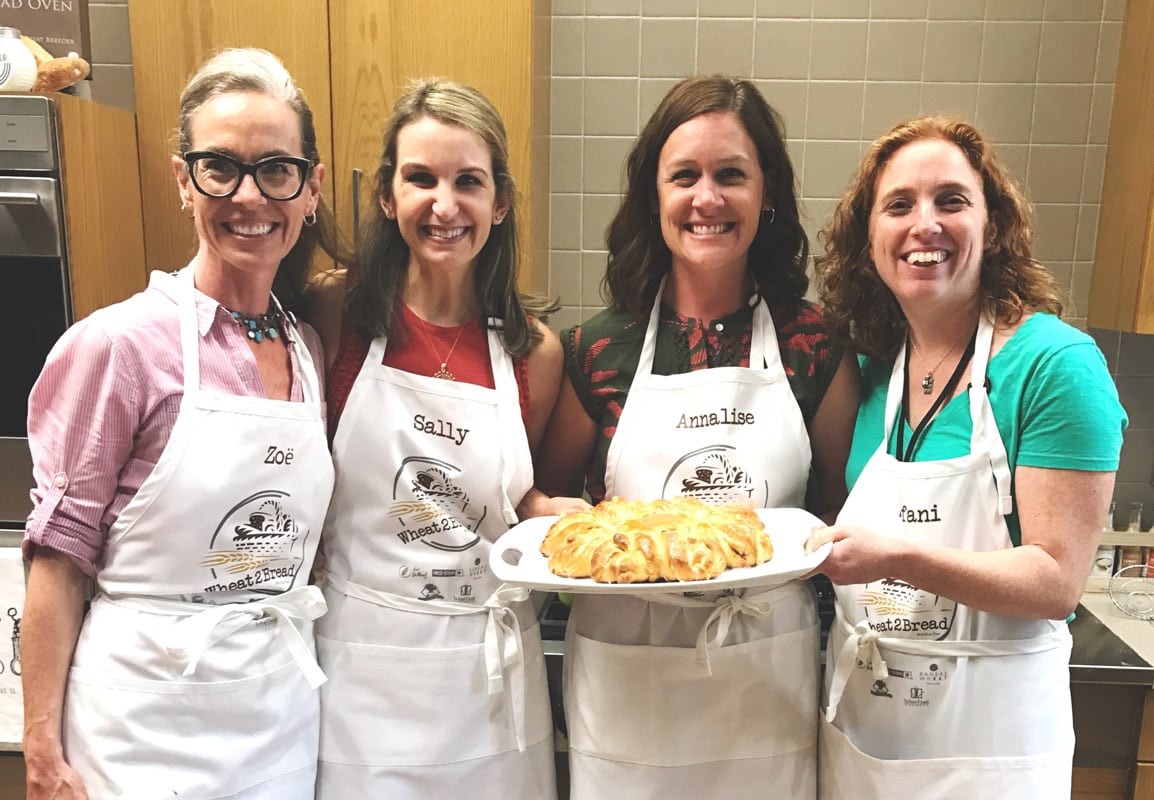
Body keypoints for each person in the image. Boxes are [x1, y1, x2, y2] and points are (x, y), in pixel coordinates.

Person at [21, 48, 344, 799]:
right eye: (219, 168)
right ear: (182, 180)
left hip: (278, 717)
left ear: (312, 189)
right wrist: (41, 748)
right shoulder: (119, 346)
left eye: (275, 169)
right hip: (142, 728)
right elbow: (59, 563)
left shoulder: (307, 349)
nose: (248, 196)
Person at [527, 75, 859, 799]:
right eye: (684, 176)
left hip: (764, 681)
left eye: (730, 175)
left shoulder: (815, 346)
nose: (706, 198)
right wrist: (550, 514)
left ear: (766, 194)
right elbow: (545, 504)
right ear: (655, 196)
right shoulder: (597, 349)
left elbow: (837, 514)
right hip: (625, 685)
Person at [809, 115, 1126, 799]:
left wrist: (896, 560)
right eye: (899, 205)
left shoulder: (1053, 365)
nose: (925, 223)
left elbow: (1055, 581)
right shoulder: (875, 370)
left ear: (993, 226)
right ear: (869, 240)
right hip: (868, 747)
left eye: (951, 200)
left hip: (991, 755)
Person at [302, 78, 561, 798]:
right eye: (421, 178)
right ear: (388, 195)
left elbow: (512, 494)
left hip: (490, 688)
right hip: (364, 679)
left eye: (467, 182)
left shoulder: (531, 350)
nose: (444, 206)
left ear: (500, 203)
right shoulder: (336, 313)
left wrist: (545, 510)